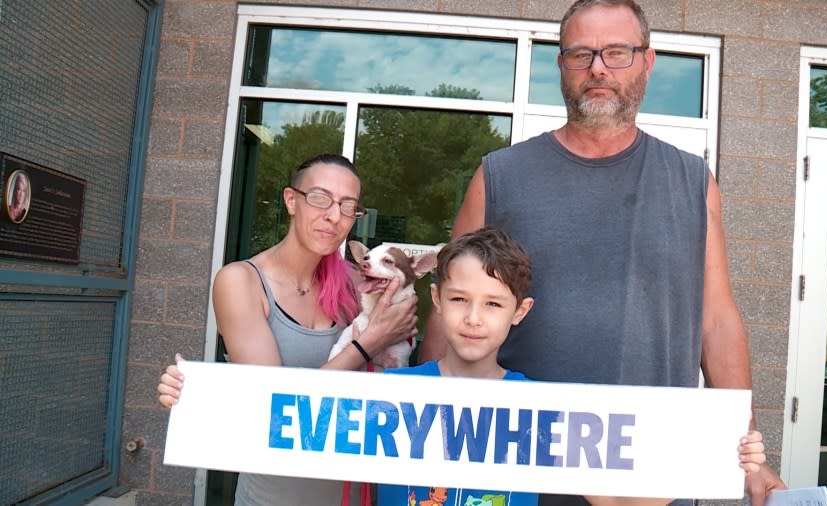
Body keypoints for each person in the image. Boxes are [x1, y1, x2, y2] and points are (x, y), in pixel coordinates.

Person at [416, 2, 787, 506]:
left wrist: (750, 452)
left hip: (650, 476)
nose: (598, 68)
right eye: (581, 54)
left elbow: (716, 319)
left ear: (647, 62)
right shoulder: (501, 175)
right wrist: (424, 432)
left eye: (617, 52)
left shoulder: (692, 183)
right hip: (517, 473)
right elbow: (450, 306)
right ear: (561, 64)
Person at [382, 227, 767, 506]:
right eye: (459, 299)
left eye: (494, 304)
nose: (474, 318)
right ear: (436, 298)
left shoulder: (542, 409)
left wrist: (720, 453)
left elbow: (618, 503)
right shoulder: (389, 394)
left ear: (520, 311)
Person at [157, 153, 419, 505]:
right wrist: (368, 343)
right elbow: (276, 407)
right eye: (320, 198)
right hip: (272, 496)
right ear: (291, 201)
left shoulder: (362, 283)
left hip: (355, 494)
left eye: (348, 206)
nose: (333, 215)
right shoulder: (242, 281)